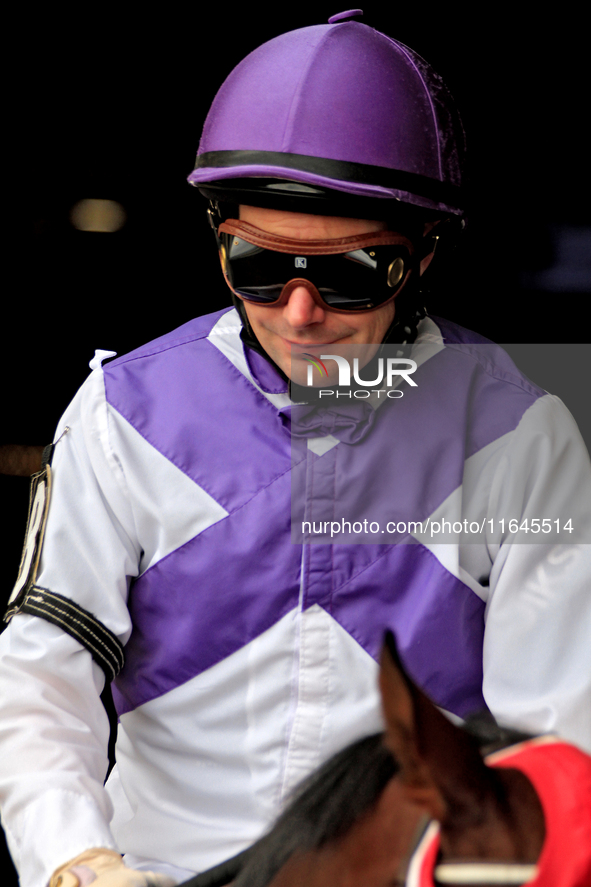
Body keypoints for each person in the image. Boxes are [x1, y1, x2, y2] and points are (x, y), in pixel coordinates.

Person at [1, 11, 590, 887]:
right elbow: (46, 677)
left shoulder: (520, 431)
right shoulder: (118, 414)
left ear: (422, 254)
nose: (299, 312)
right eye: (259, 267)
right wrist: (77, 862)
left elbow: (554, 743)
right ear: (217, 240)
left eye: (347, 274)